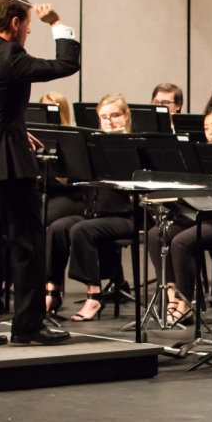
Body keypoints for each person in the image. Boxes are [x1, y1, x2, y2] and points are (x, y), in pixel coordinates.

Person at [0, 0, 78, 348]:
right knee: (28, 245)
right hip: (7, 167)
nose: (28, 32)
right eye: (27, 25)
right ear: (14, 24)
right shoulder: (11, 55)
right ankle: (27, 327)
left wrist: (17, 128)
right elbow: (65, 65)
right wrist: (56, 23)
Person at [144, 106, 212, 324]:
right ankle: (171, 298)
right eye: (207, 128)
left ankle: (185, 303)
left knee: (182, 241)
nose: (210, 132)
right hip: (204, 215)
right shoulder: (198, 155)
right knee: (156, 234)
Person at [49, 94, 136, 322]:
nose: (109, 122)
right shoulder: (94, 147)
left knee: (82, 230)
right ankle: (51, 291)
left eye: (114, 116)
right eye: (103, 118)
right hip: (95, 215)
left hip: (127, 216)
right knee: (58, 228)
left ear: (126, 116)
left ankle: (94, 295)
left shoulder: (133, 147)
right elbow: (68, 179)